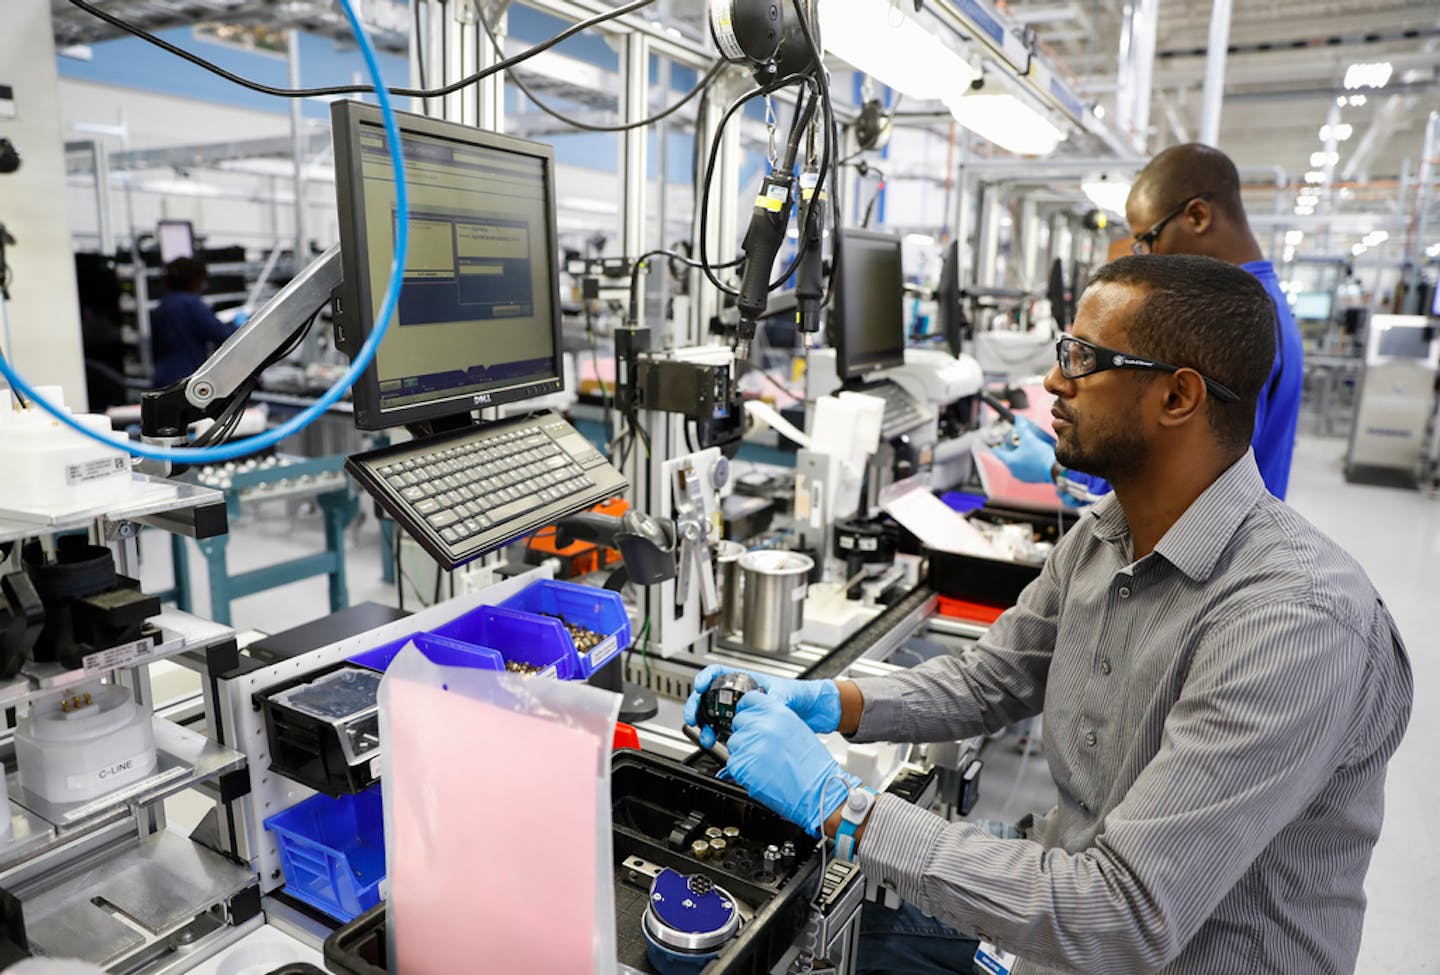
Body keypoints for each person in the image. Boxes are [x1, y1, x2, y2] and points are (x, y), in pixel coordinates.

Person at [686, 255, 1412, 974]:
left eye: (1083, 357)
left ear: (1178, 397)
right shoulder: (1106, 532)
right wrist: (830, 703)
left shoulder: (1294, 623)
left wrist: (846, 808)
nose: (1053, 380)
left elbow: (1122, 913)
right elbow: (987, 680)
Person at [997, 143, 1305, 501]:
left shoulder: (1234, 321)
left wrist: (1060, 471)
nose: (1143, 256)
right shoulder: (1262, 305)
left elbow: (1192, 481)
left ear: (1197, 217)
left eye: (1146, 239)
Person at [150, 256, 236, 387]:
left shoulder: (163, 305)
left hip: (163, 378)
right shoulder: (192, 304)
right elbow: (220, 334)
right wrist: (239, 325)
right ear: (196, 280)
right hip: (187, 378)